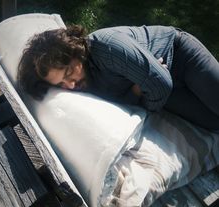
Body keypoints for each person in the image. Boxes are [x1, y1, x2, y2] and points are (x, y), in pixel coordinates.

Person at [17, 24, 219, 131]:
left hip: (181, 57)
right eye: (61, 83)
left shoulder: (108, 48)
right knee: (213, 123)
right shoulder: (80, 86)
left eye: (69, 73)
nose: (70, 84)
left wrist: (143, 92)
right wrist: (137, 90)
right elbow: (125, 103)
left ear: (76, 51)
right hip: (163, 87)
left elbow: (161, 85)